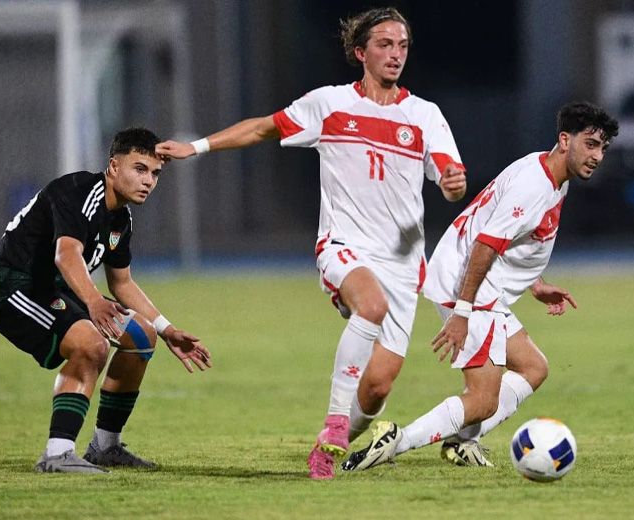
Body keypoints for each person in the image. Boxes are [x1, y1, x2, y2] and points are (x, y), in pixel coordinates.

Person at [156, 7, 467, 480]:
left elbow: (450, 176)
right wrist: (197, 147)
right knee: (371, 305)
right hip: (343, 245)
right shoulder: (330, 105)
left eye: (402, 45)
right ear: (361, 52)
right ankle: (336, 424)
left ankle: (333, 442)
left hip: (404, 265)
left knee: (379, 387)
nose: (395, 54)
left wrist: (452, 184)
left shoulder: (424, 115)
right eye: (385, 44)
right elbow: (264, 127)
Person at [341, 101, 618, 471]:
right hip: (469, 285)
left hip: (476, 281)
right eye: (591, 144)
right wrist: (463, 311)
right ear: (565, 140)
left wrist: (535, 285)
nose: (597, 156)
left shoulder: (550, 172)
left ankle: (462, 442)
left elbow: (510, 237)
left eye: (603, 147)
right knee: (483, 399)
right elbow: (486, 244)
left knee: (534, 368)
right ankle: (395, 440)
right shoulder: (534, 187)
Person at [0, 127, 213, 474]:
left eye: (155, 173)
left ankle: (106, 446)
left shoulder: (120, 218)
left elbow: (122, 283)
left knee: (140, 336)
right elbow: (67, 254)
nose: (148, 180)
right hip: (14, 286)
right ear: (114, 166)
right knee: (90, 343)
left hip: (58, 289)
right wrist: (92, 301)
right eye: (139, 168)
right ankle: (57, 454)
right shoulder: (78, 192)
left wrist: (167, 330)